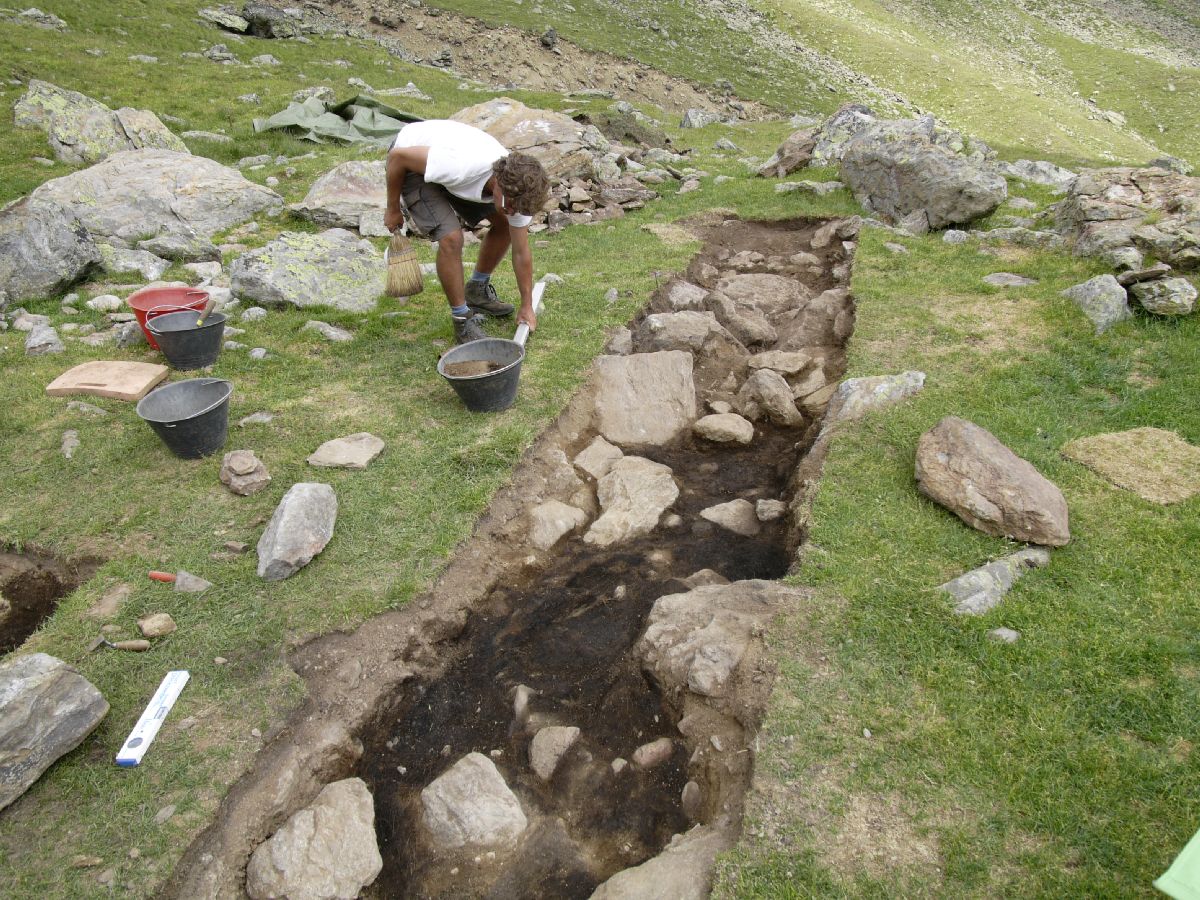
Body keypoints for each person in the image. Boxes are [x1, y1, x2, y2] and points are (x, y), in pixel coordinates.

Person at [383, 119, 551, 343]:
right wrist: (393, 208)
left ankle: (477, 290)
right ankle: (461, 320)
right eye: (510, 204)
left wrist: (527, 305)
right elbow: (398, 158)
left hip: (446, 165)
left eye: (517, 208)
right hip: (408, 159)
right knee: (451, 238)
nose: (513, 211)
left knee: (504, 223)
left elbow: (521, 252)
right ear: (499, 184)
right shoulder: (460, 166)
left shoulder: (519, 196)